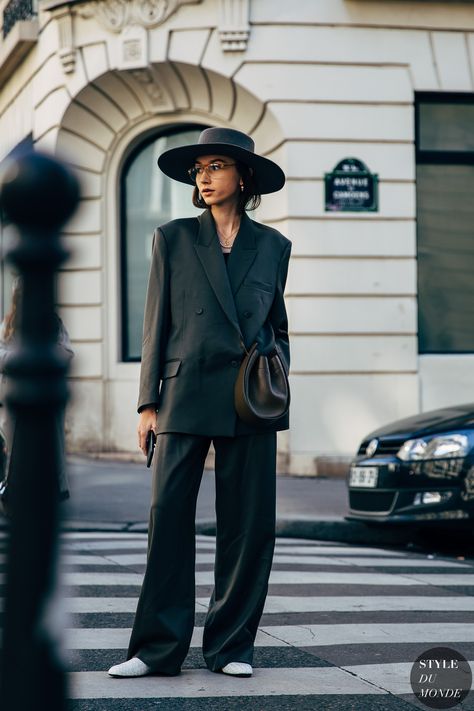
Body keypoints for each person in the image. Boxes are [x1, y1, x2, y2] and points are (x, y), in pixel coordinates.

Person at [108, 127, 291, 679]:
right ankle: (156, 648)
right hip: (183, 391)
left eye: (216, 166)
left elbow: (278, 325)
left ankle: (232, 646)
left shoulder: (274, 246)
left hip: (247, 397)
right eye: (200, 169)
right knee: (167, 519)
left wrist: (272, 368)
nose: (205, 177)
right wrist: (147, 404)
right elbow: (154, 325)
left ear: (244, 177)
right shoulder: (174, 237)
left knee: (248, 524)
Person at [0, 277, 73, 510]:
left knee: (46, 449)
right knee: (17, 451)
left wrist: (43, 359)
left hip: (45, 395)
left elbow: (66, 352)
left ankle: (46, 495)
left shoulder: (53, 322)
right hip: (15, 395)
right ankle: (15, 493)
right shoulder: (8, 324)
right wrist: (22, 360)